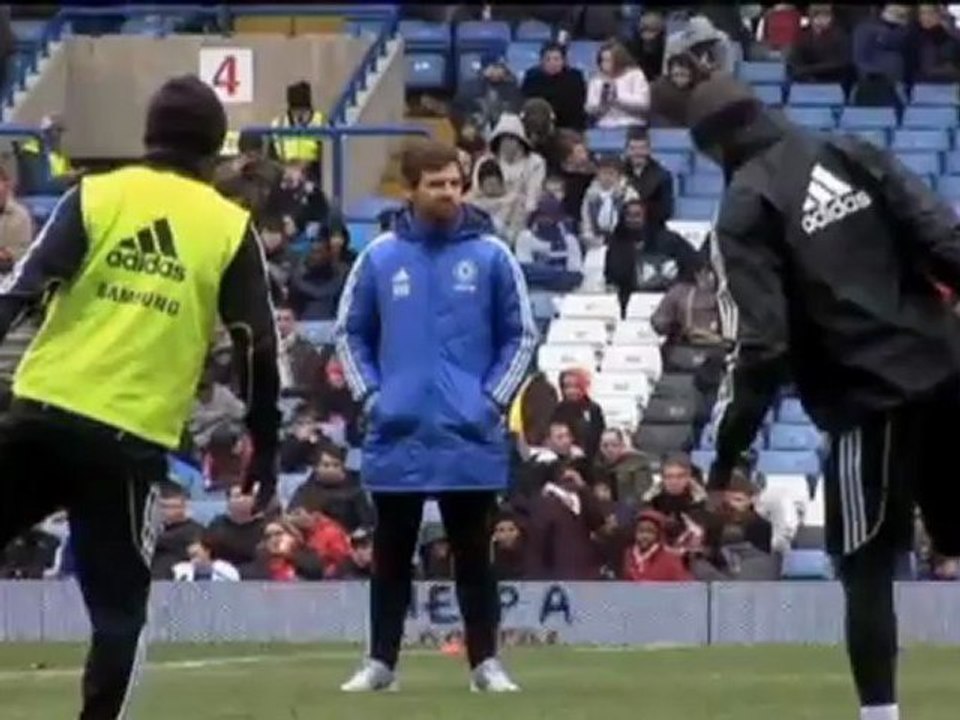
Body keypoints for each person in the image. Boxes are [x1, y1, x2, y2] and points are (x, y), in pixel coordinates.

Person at [675, 73, 960, 720]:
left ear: (713, 148)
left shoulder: (744, 206)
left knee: (864, 563)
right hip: (945, 368)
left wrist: (728, 453)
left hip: (867, 399)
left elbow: (764, 345)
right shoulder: (851, 151)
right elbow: (945, 243)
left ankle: (881, 715)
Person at [0, 75, 280, 719]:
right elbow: (257, 351)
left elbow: (20, 293)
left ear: (148, 137)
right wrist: (263, 452)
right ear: (214, 151)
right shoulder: (227, 227)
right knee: (120, 614)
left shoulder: (95, 195)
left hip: (41, 413)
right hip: (126, 443)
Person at [335, 138, 537, 693]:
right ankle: (381, 664)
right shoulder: (377, 258)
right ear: (410, 190)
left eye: (455, 182)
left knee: (474, 555)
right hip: (398, 429)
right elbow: (350, 334)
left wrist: (490, 401)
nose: (449, 193)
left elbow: (521, 336)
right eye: (437, 184)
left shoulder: (493, 256)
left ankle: (485, 664)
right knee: (391, 554)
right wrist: (374, 399)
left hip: (467, 431)